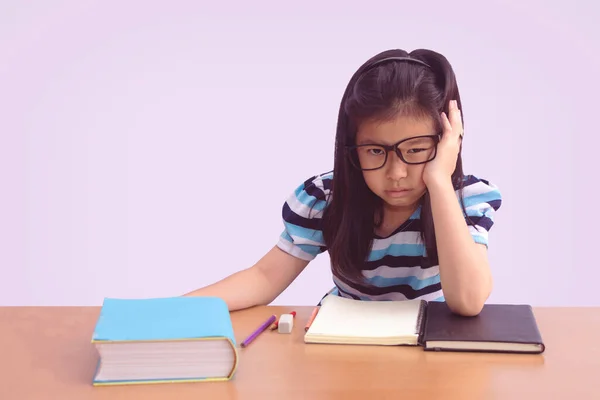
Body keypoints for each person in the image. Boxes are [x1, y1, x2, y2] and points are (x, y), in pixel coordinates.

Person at [185, 48, 502, 316]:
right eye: (376, 150)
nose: (395, 172)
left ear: (446, 143)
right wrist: (173, 308)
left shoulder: (466, 198)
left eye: (416, 150)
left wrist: (439, 181)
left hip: (432, 349)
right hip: (344, 346)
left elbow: (469, 301)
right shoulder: (327, 198)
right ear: (351, 148)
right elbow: (264, 277)